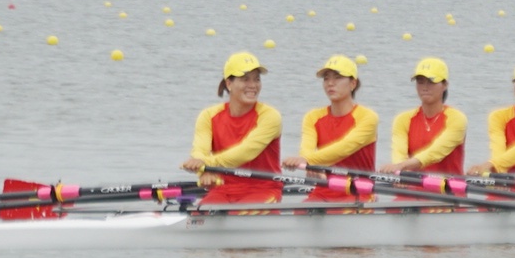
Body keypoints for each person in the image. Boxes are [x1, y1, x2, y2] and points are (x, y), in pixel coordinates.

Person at [181, 51, 283, 206]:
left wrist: (206, 164)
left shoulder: (270, 116)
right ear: (229, 84)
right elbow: (199, 150)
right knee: (200, 216)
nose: (253, 85)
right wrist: (204, 170)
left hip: (264, 188)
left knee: (235, 215)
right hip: (223, 189)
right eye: (245, 79)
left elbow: (245, 152)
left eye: (257, 79)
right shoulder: (208, 115)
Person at [282, 55, 379, 203]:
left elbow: (345, 147)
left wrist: (309, 161)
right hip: (324, 189)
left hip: (358, 190)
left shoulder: (367, 117)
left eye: (337, 77)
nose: (330, 83)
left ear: (353, 83)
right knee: (301, 215)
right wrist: (307, 162)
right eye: (326, 78)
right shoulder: (312, 117)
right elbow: (306, 150)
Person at [380, 57, 467, 175]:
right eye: (420, 81)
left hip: (446, 190)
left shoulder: (457, 119)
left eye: (431, 81)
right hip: (409, 187)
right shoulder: (403, 119)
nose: (425, 87)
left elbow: (435, 153)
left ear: (445, 85)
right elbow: (399, 153)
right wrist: (400, 171)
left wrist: (402, 166)